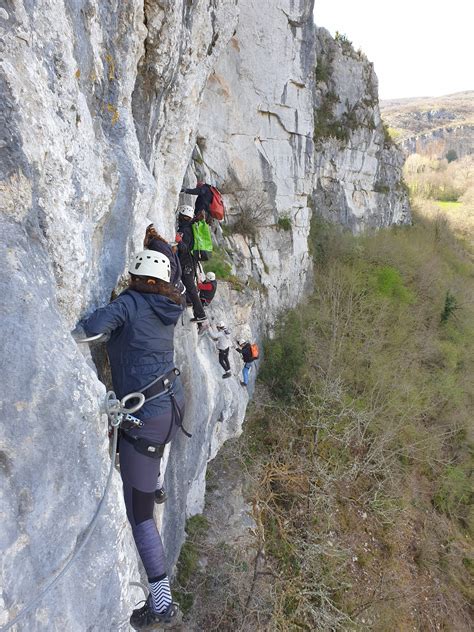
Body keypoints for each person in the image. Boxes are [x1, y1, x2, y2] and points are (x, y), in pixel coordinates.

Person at [82, 250, 185, 630]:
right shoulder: (167, 306)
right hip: (174, 403)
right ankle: (156, 486)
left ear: (136, 276)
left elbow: (89, 329)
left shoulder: (129, 303)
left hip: (149, 418)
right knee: (152, 455)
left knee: (140, 515)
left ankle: (162, 602)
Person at [176, 205, 207, 323]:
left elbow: (185, 249)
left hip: (187, 262)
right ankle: (188, 301)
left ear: (183, 217)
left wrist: (179, 241)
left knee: (191, 287)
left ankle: (201, 314)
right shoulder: (189, 227)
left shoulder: (186, 230)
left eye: (180, 216)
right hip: (189, 261)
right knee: (187, 284)